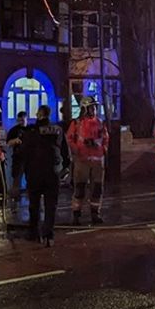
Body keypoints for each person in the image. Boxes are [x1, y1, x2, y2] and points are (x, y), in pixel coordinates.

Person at [21, 105, 66, 246]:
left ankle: (34, 233)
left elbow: (24, 153)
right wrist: (65, 168)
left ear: (39, 115)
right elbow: (65, 151)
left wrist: (22, 172)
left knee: (34, 205)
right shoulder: (57, 130)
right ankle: (48, 235)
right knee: (50, 205)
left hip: (35, 173)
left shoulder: (31, 131)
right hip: (52, 173)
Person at [66, 96, 109, 225]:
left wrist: (102, 149)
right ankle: (76, 215)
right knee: (79, 188)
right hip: (82, 160)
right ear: (85, 109)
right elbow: (69, 139)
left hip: (97, 161)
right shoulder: (77, 123)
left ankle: (95, 214)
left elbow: (106, 139)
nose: (94, 109)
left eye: (95, 107)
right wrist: (77, 150)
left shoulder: (100, 123)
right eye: (92, 107)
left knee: (97, 189)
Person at [6, 111, 29, 204]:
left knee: (31, 179)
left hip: (29, 158)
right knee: (16, 179)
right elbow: (8, 143)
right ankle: (15, 200)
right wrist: (15, 141)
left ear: (26, 119)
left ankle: (31, 199)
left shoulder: (31, 129)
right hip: (18, 158)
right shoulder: (13, 130)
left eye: (22, 120)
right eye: (19, 120)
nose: (21, 122)